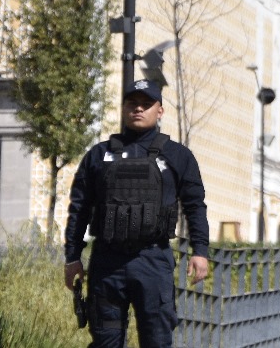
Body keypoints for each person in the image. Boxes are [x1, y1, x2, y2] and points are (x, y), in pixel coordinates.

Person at [63, 79, 209, 348]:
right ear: (123, 108)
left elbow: (195, 205)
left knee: (157, 341)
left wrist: (200, 250)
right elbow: (79, 208)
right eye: (133, 103)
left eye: (146, 104)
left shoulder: (178, 155)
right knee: (105, 342)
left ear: (160, 111)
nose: (138, 109)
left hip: (152, 260)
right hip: (107, 262)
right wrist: (72, 257)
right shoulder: (98, 155)